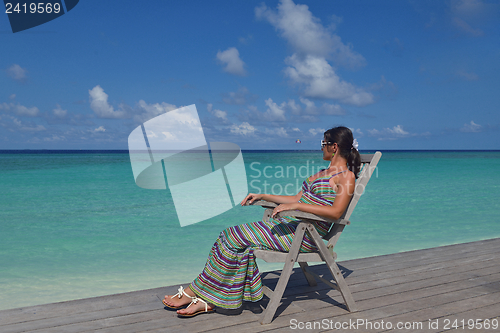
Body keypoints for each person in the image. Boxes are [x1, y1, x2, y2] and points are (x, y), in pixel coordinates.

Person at [163, 126, 361, 317]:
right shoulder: (320, 173)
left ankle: (194, 293)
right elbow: (295, 199)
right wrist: (263, 195)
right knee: (228, 237)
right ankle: (208, 298)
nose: (321, 147)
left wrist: (297, 207)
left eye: (323, 143)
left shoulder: (347, 176)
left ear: (334, 146)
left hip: (307, 235)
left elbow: (335, 213)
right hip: (291, 227)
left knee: (232, 237)